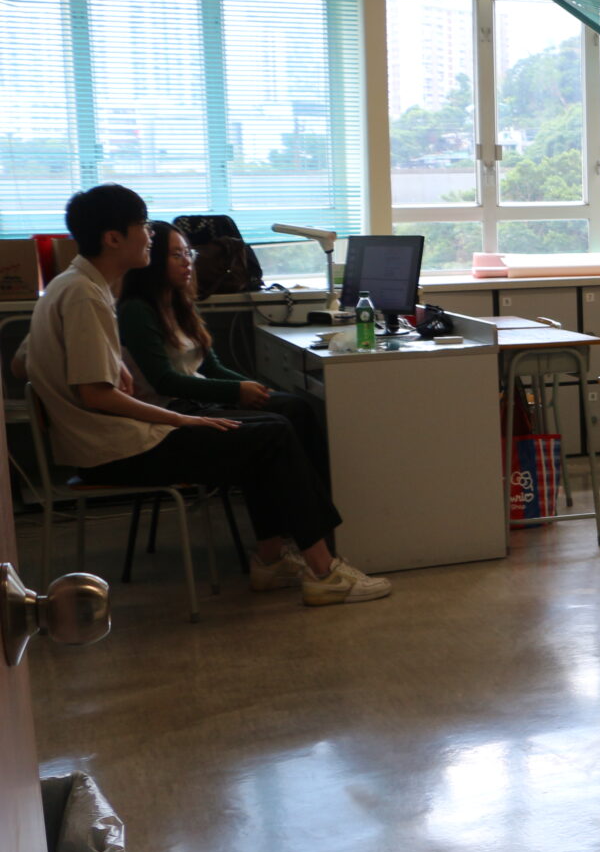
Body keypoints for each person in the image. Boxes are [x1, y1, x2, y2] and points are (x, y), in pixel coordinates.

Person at [23, 185, 388, 607]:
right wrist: (184, 419)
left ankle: (274, 561)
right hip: (117, 448)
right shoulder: (87, 294)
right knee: (272, 435)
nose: (150, 235)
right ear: (113, 238)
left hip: (111, 440)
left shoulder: (73, 285)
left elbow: (22, 362)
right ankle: (323, 572)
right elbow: (96, 396)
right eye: (143, 226)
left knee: (274, 426)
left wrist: (110, 360)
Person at [119, 221, 331, 489]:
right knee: (278, 426)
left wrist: (254, 388)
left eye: (188, 253)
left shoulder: (181, 304)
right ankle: (305, 506)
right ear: (152, 260)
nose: (187, 262)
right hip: (173, 410)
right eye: (176, 255)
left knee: (295, 407)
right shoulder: (136, 310)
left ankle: (324, 493)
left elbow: (212, 368)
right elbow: (165, 381)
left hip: (198, 401)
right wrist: (236, 391)